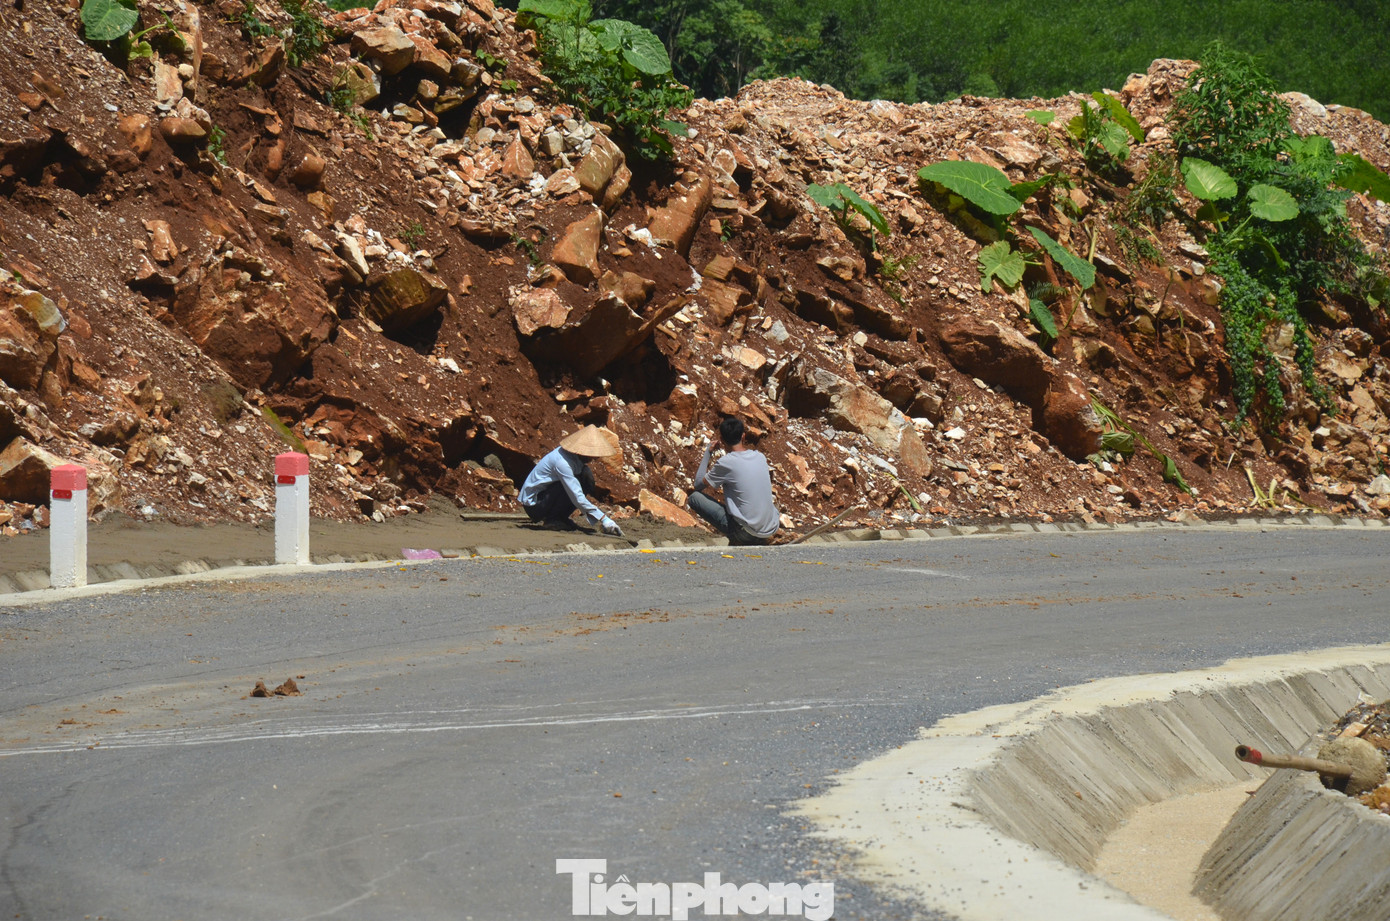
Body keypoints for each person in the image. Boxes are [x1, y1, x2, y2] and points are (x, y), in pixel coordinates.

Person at [688, 416, 780, 545]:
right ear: (743, 436)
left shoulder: (727, 462)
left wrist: (708, 452)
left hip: (747, 533)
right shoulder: (760, 457)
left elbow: (698, 485)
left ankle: (738, 538)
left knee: (694, 497)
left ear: (722, 440)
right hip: (771, 528)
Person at [519, 425, 625, 536]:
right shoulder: (562, 463)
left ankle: (561, 517)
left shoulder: (575, 460)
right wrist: (604, 519)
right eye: (592, 455)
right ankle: (552, 519)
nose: (594, 458)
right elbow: (576, 495)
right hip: (535, 504)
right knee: (568, 485)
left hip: (547, 498)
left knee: (586, 477)